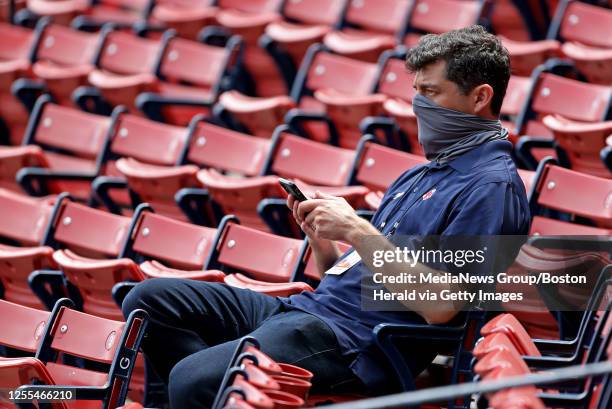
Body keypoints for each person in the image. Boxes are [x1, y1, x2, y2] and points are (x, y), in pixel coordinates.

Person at [122, 25, 530, 408]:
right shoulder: (422, 172)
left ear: (479, 97)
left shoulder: (491, 187)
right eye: (416, 91)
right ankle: (236, 390)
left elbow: (443, 307)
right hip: (314, 311)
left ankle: (225, 385)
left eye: (432, 92)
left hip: (357, 343)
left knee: (193, 379)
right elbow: (347, 276)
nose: (418, 105)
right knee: (150, 300)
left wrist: (356, 229)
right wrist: (322, 238)